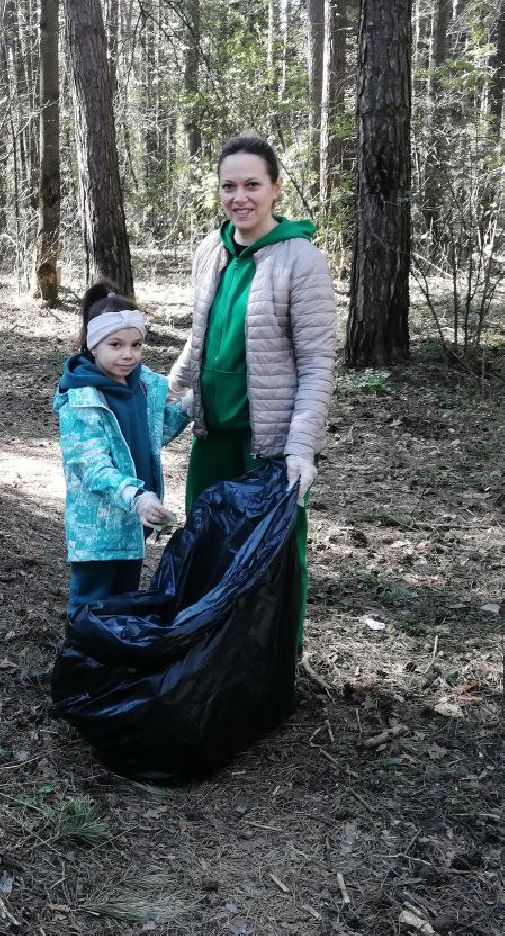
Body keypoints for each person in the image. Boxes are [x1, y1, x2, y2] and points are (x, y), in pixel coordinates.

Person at [167, 135, 336, 636]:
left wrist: (301, 451)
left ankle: (273, 667)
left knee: (273, 563)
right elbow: (198, 341)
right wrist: (167, 398)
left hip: (271, 449)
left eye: (252, 185)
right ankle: (206, 657)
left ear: (276, 188)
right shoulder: (209, 251)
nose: (240, 197)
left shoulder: (301, 259)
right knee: (207, 548)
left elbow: (317, 363)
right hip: (213, 437)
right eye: (229, 186)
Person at [53, 281, 193, 613]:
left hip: (134, 521)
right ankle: (83, 662)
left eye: (136, 344)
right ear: (93, 345)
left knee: (123, 601)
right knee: (92, 603)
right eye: (115, 344)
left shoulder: (142, 388)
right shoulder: (81, 400)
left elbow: (151, 437)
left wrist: (186, 409)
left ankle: (112, 660)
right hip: (98, 528)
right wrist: (137, 496)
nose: (127, 354)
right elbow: (92, 469)